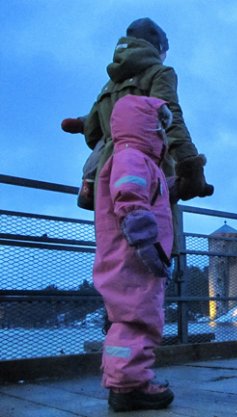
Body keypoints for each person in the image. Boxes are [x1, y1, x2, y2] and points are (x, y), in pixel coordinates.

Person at [61, 17, 213, 213]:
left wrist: (83, 124)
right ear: (157, 47)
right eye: (164, 50)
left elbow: (93, 129)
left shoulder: (110, 84)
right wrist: (189, 164)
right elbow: (168, 115)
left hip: (108, 173)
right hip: (148, 167)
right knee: (156, 234)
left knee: (114, 237)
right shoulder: (160, 73)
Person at [94, 94, 174, 411]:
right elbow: (130, 196)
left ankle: (127, 382)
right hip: (136, 255)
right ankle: (129, 388)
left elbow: (144, 192)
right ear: (145, 126)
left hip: (129, 253)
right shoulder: (132, 158)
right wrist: (146, 244)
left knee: (130, 317)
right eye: (159, 127)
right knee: (136, 318)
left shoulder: (133, 158)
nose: (162, 134)